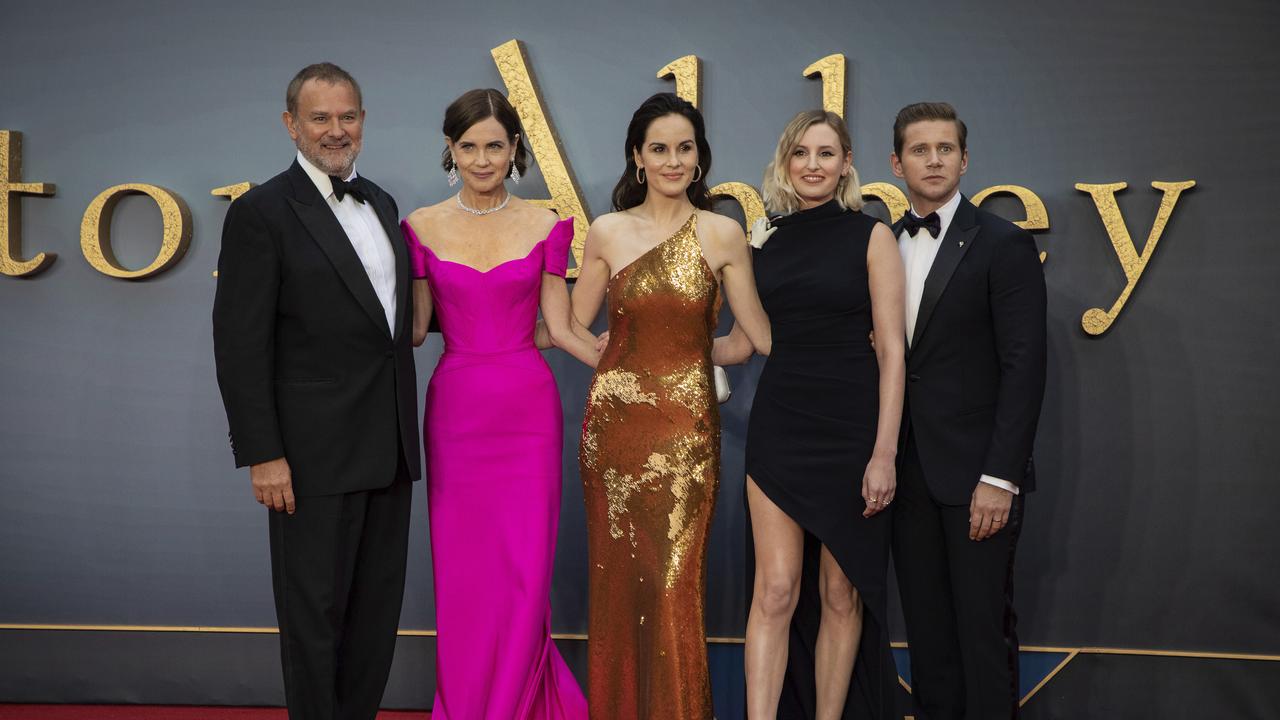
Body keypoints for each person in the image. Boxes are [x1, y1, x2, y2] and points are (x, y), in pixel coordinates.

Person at [212, 62, 420, 720]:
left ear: (363, 120)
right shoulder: (261, 213)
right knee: (313, 625)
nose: (337, 130)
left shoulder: (383, 203)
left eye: (348, 116)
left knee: (373, 621)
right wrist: (263, 454)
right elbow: (239, 343)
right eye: (321, 118)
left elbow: (390, 327)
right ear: (291, 125)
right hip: (308, 459)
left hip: (388, 448)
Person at [569, 92, 772, 720]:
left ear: (700, 158)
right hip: (614, 435)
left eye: (685, 148)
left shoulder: (722, 233)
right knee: (618, 581)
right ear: (637, 157)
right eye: (659, 148)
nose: (673, 160)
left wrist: (690, 355)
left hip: (686, 437)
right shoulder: (606, 232)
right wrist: (620, 369)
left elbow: (756, 338)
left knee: (673, 584)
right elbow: (573, 328)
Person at [400, 88, 597, 720]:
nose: (481, 159)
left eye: (494, 145)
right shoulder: (420, 226)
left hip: (526, 411)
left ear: (515, 150)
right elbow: (413, 330)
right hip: (457, 412)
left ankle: (517, 700)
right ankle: (465, 704)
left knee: (523, 570)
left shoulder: (547, 223)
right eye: (467, 146)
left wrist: (647, 370)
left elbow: (562, 330)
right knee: (463, 574)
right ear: (449, 151)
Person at [714, 109, 906, 719]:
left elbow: (893, 352)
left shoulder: (872, 236)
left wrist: (884, 453)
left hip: (853, 429)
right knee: (774, 590)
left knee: (840, 593)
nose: (813, 165)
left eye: (826, 154)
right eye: (801, 154)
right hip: (782, 427)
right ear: (784, 163)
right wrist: (656, 348)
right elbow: (743, 343)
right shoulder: (760, 243)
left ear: (847, 163)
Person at [888, 102, 1047, 719]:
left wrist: (999, 477)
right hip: (905, 479)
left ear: (965, 158)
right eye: (920, 150)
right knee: (928, 640)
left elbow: (1024, 369)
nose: (933, 160)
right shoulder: (883, 244)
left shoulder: (1003, 244)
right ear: (895, 162)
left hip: (979, 478)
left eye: (945, 149)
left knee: (982, 634)